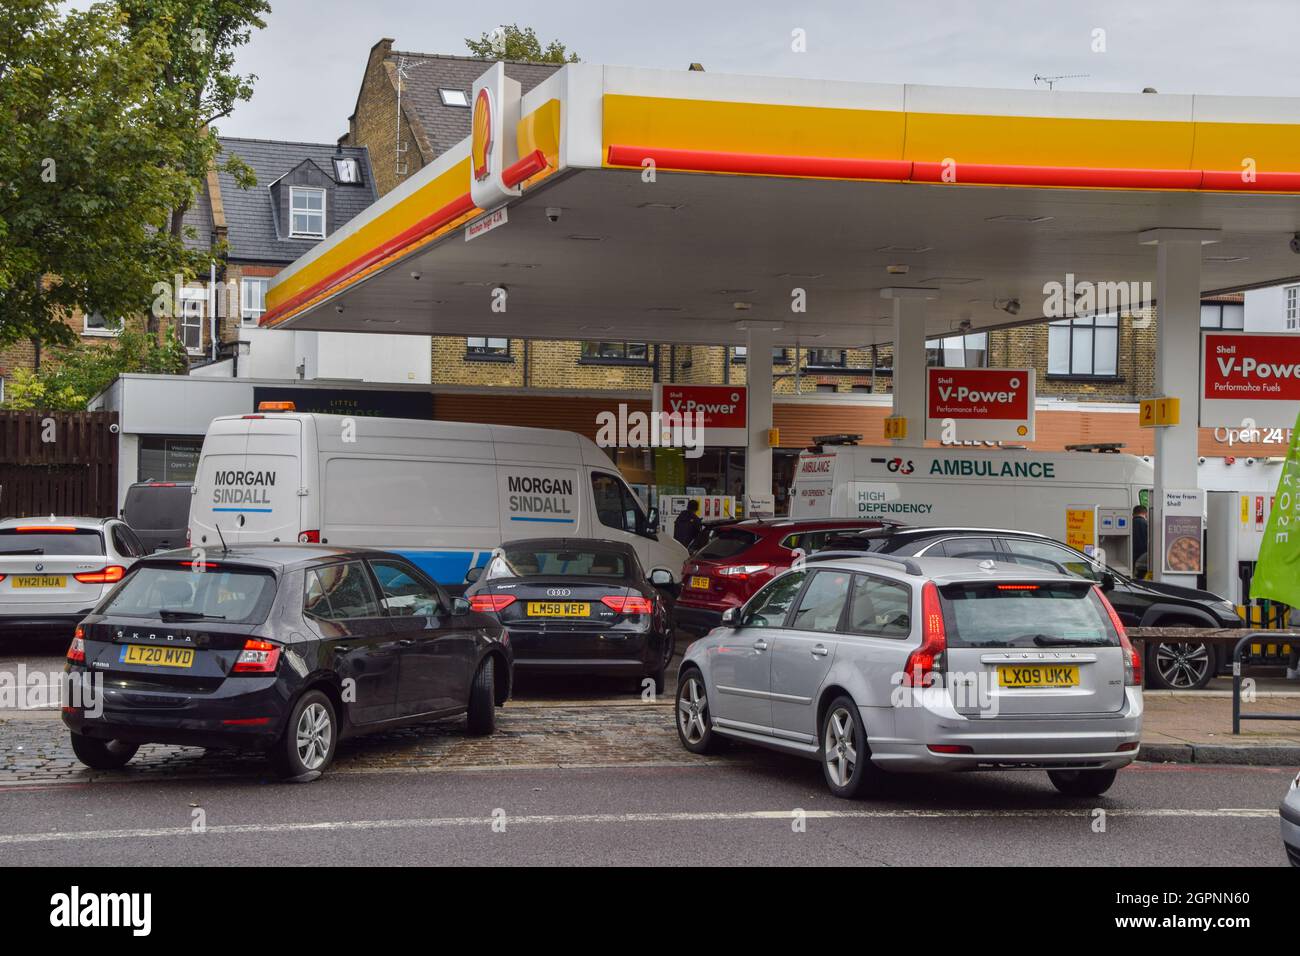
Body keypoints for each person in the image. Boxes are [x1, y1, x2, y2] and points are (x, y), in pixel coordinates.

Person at [1131, 504, 1149, 576]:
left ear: (1133, 514)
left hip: (1131, 556)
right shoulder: (1146, 524)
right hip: (1143, 558)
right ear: (1145, 514)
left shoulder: (1129, 523)